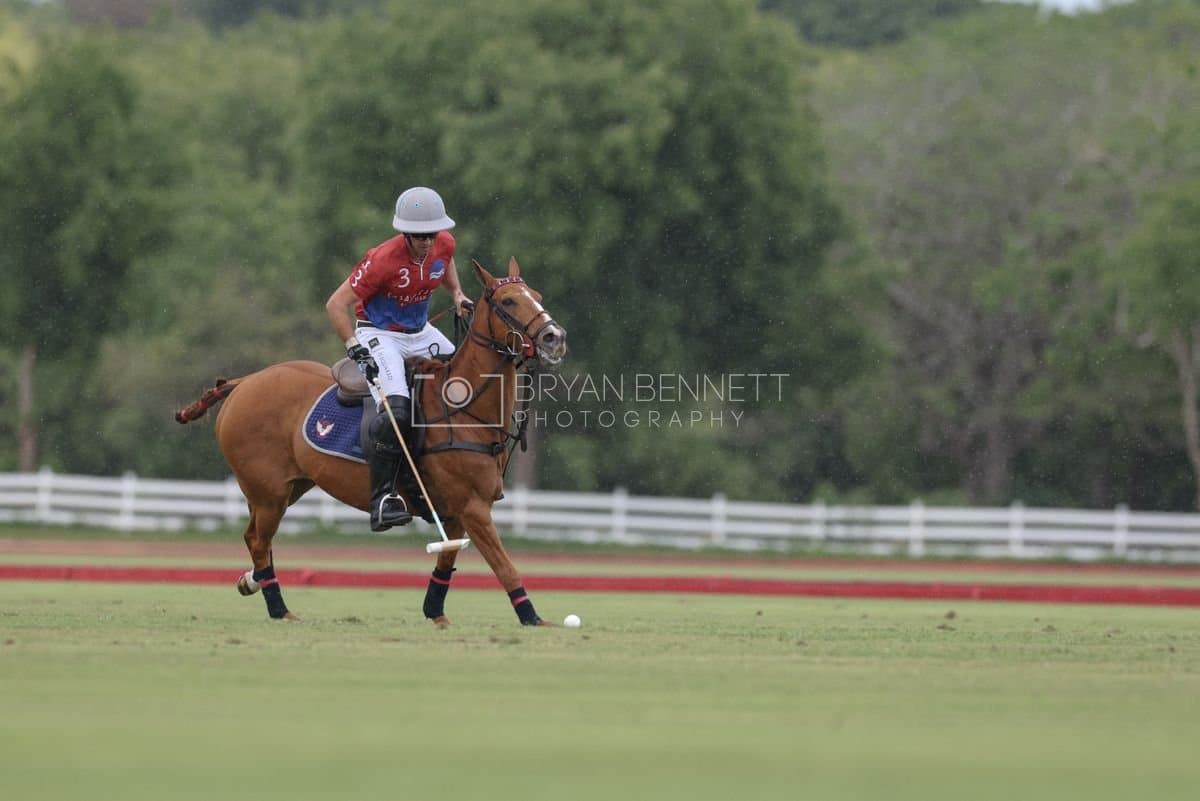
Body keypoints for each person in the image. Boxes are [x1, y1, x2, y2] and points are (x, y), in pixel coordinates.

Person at [325, 186, 472, 531]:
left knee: (465, 382)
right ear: (405, 232)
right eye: (419, 236)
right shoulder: (381, 260)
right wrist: (353, 345)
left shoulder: (444, 244)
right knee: (397, 412)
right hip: (379, 333)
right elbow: (335, 303)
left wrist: (458, 293)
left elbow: (445, 264)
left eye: (430, 234)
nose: (426, 242)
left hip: (420, 332)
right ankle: (382, 499)